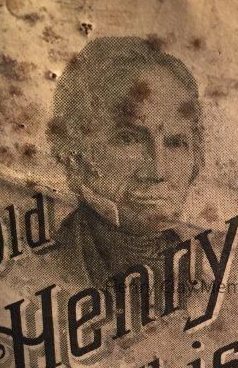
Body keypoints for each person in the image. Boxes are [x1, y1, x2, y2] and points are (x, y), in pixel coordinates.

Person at [47, 36, 204, 288]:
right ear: (75, 153)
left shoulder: (200, 270)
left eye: (175, 142)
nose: (158, 171)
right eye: (128, 139)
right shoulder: (50, 267)